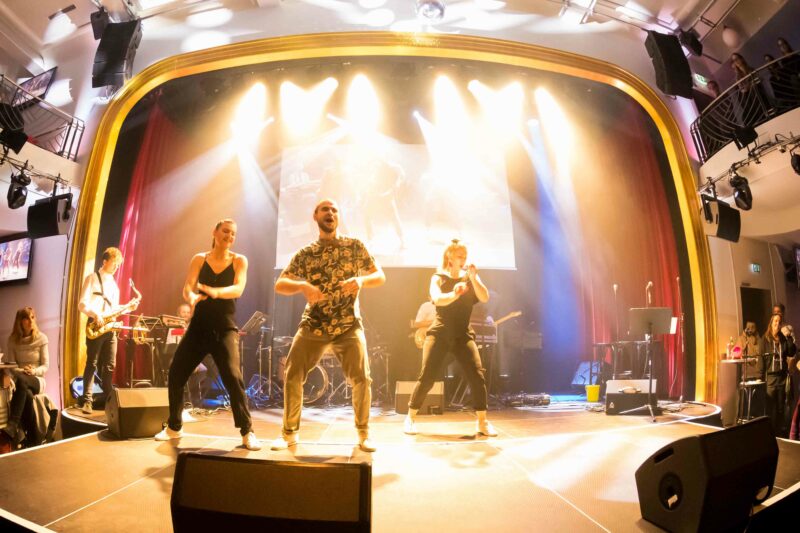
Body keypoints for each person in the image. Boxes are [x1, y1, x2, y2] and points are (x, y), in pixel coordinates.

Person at [271, 199, 385, 452]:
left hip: (348, 325)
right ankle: (289, 433)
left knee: (362, 378)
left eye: (334, 210)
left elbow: (379, 276)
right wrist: (302, 285)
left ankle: (363, 434)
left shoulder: (354, 246)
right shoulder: (306, 253)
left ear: (338, 217)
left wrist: (361, 281)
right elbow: (280, 284)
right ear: (316, 216)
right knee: (292, 375)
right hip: (314, 325)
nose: (331, 213)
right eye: (325, 209)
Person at [155, 219, 260, 450]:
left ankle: (247, 431)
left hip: (224, 328)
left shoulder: (239, 260)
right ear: (214, 232)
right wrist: (191, 297)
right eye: (225, 231)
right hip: (198, 328)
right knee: (176, 374)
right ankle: (174, 426)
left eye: (233, 234)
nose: (229, 236)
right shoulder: (199, 259)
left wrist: (215, 291)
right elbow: (188, 286)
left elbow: (238, 288)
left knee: (233, 377)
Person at [404, 239, 497, 437]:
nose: (463, 259)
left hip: (462, 334)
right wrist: (455, 294)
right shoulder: (438, 277)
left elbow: (484, 297)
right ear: (450, 257)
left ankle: (482, 422)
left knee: (477, 376)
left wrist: (474, 278)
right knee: (427, 377)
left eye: (465, 256)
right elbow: (438, 299)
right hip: (440, 332)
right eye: (460, 256)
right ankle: (410, 417)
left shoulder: (470, 278)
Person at [78, 247, 139, 414]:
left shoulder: (113, 284)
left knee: (110, 365)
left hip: (110, 325)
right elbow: (82, 304)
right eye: (114, 263)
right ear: (104, 261)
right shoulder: (92, 278)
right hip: (96, 324)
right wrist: (95, 314)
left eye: (118, 264)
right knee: (92, 363)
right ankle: (87, 400)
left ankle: (108, 399)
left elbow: (113, 309)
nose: (116, 267)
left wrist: (128, 307)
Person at [1, 307, 49, 446]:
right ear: (20, 321)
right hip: (21, 380)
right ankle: (34, 439)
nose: (31, 321)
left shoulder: (42, 338)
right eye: (27, 318)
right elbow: (12, 366)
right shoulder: (12, 340)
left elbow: (45, 366)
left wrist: (33, 371)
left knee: (23, 382)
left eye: (32, 317)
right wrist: (23, 371)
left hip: (37, 380)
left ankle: (13, 425)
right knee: (26, 393)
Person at [762, 313, 796, 437]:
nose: (777, 324)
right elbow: (761, 359)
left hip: (782, 377)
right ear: (771, 324)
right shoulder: (765, 339)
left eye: (779, 322)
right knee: (770, 408)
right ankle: (768, 433)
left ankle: (779, 434)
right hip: (771, 378)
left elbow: (791, 352)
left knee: (781, 408)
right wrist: (760, 377)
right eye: (775, 321)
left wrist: (789, 337)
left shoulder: (783, 338)